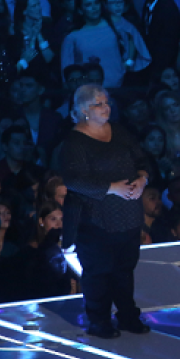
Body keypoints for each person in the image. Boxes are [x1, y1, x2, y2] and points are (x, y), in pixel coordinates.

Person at [60, 83, 151, 339]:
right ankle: (99, 321)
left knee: (124, 271)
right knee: (98, 273)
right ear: (84, 110)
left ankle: (127, 315)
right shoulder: (75, 141)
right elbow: (74, 180)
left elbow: (142, 160)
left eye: (107, 102)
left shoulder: (119, 131)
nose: (106, 107)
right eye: (98, 103)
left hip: (129, 216)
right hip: (95, 219)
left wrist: (143, 178)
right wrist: (111, 188)